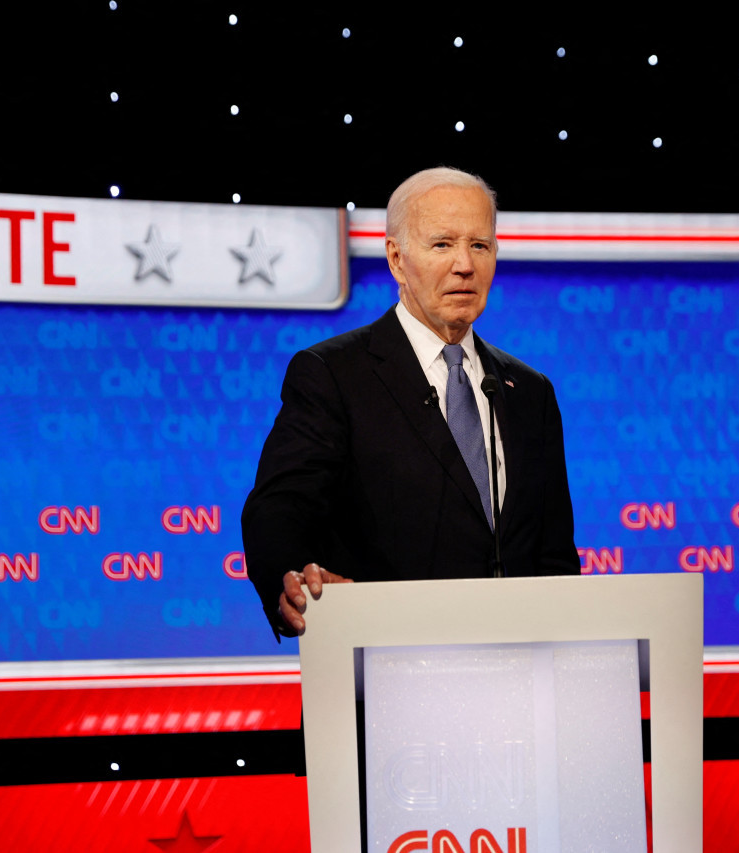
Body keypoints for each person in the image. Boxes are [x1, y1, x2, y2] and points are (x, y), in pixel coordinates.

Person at [241, 166, 580, 640]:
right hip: (384, 668)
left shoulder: (530, 391)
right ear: (397, 259)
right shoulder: (333, 374)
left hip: (520, 675)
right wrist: (291, 578)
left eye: (479, 245)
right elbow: (279, 508)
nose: (465, 264)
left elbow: (555, 557)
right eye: (442, 244)